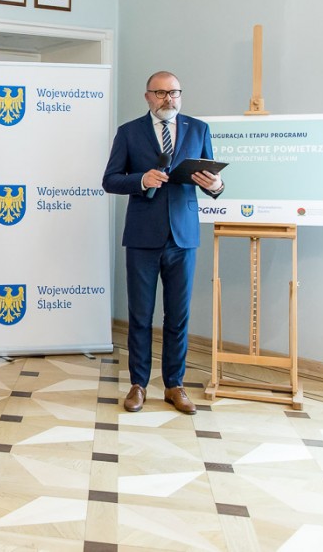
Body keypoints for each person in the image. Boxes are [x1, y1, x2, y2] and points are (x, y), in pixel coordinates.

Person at [102, 71, 224, 415]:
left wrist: (215, 186)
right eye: (160, 93)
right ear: (147, 97)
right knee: (140, 315)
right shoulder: (129, 132)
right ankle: (138, 385)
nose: (168, 98)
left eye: (174, 92)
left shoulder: (198, 129)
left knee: (178, 316)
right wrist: (141, 179)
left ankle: (174, 385)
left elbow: (213, 181)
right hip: (143, 236)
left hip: (183, 237)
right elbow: (110, 180)